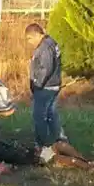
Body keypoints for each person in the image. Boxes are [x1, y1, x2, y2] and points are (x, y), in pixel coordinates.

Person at [25, 23, 63, 154]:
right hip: (52, 85)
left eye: (29, 39)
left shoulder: (45, 47)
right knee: (51, 114)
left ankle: (43, 145)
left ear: (36, 35)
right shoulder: (51, 42)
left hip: (45, 87)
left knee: (39, 116)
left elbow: (45, 68)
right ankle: (58, 141)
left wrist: (37, 84)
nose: (29, 43)